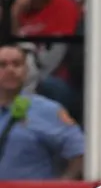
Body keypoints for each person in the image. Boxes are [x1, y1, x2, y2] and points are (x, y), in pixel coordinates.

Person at [0, 42, 83, 180]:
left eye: (17, 64)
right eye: (2, 65)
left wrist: (64, 186)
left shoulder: (48, 110)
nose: (10, 70)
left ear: (26, 70)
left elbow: (80, 151)